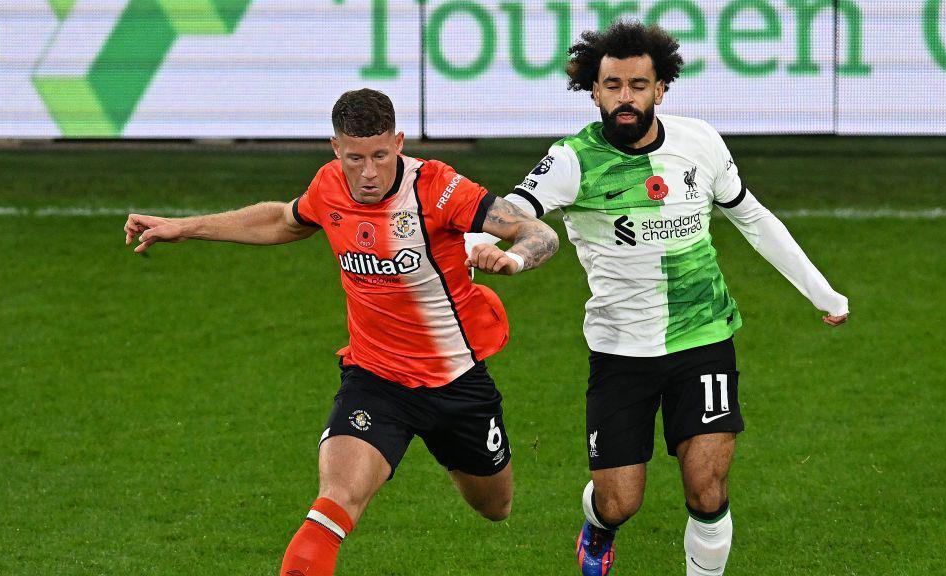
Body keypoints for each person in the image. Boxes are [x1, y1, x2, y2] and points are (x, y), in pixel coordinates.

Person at [124, 88, 559, 576]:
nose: (369, 172)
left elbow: (540, 233)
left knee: (495, 507)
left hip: (457, 384)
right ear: (336, 149)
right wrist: (184, 227)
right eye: (356, 158)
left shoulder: (437, 188)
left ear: (398, 142)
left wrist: (512, 257)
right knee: (336, 500)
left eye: (380, 156)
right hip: (375, 381)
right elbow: (284, 220)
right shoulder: (329, 186)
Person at [468, 21, 849, 576]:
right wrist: (473, 249)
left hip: (704, 336)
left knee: (707, 492)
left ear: (661, 88)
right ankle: (598, 528)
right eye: (614, 85)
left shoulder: (701, 143)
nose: (627, 97)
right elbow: (511, 212)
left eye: (639, 85)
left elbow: (753, 219)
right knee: (620, 502)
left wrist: (822, 290)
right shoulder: (573, 159)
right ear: (594, 91)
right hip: (620, 350)